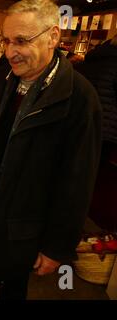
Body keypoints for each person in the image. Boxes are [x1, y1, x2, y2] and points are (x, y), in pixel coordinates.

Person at [0, 0, 101, 300]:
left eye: (21, 41)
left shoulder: (79, 99)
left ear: (53, 36)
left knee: (10, 289)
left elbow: (77, 182)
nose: (10, 51)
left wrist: (55, 247)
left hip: (21, 226)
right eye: (7, 41)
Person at [76, 35, 117, 230]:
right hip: (107, 132)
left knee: (80, 172)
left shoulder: (90, 62)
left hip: (83, 125)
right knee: (98, 180)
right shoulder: (115, 66)